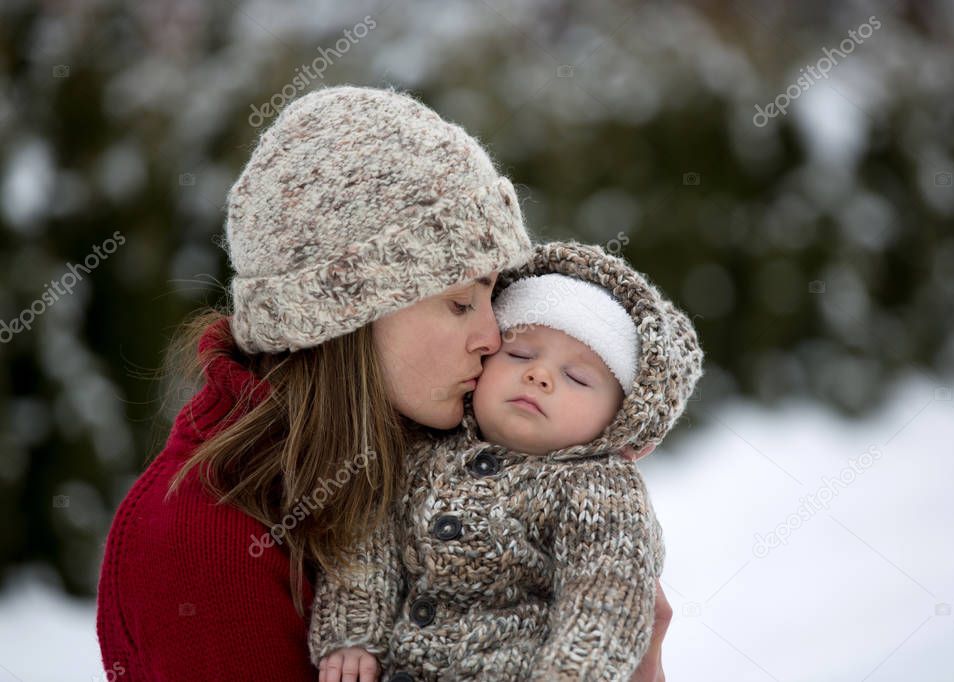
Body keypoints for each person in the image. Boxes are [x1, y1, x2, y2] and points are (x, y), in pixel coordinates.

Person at [95, 85, 672, 681]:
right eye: (458, 303)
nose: (493, 338)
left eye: (491, 295)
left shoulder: (407, 451)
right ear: (344, 315)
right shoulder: (200, 544)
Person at [309, 242, 704, 681]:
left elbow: (604, 599)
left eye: (576, 377)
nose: (539, 376)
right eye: (518, 354)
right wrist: (355, 632)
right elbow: (368, 541)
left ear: (619, 420)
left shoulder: (599, 487)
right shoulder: (422, 449)